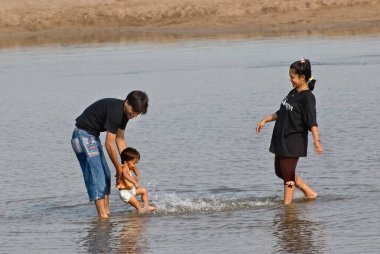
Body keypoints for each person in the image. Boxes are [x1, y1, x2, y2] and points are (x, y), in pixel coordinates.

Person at [256, 58, 323, 205]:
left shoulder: (308, 98)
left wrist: (316, 140)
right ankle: (309, 192)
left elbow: (312, 121)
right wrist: (265, 120)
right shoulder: (293, 92)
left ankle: (287, 209)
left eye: (292, 77)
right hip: (281, 138)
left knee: (287, 176)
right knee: (280, 172)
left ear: (302, 77)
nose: (290, 79)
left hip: (293, 141)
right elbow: (282, 112)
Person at [71, 90, 148, 218]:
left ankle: (107, 213)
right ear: (127, 102)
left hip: (92, 137)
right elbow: (109, 144)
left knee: (106, 175)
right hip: (82, 135)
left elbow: (120, 139)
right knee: (98, 177)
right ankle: (103, 217)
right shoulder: (116, 112)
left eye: (135, 115)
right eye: (131, 113)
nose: (132, 116)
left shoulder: (125, 114)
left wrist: (127, 165)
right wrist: (119, 170)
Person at [117, 147, 156, 213]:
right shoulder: (124, 167)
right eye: (133, 163)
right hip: (125, 193)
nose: (134, 165)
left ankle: (146, 206)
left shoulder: (129, 165)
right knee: (138, 206)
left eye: (136, 163)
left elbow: (135, 168)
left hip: (130, 190)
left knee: (144, 190)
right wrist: (135, 182)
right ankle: (138, 219)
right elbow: (125, 175)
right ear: (125, 162)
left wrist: (137, 175)